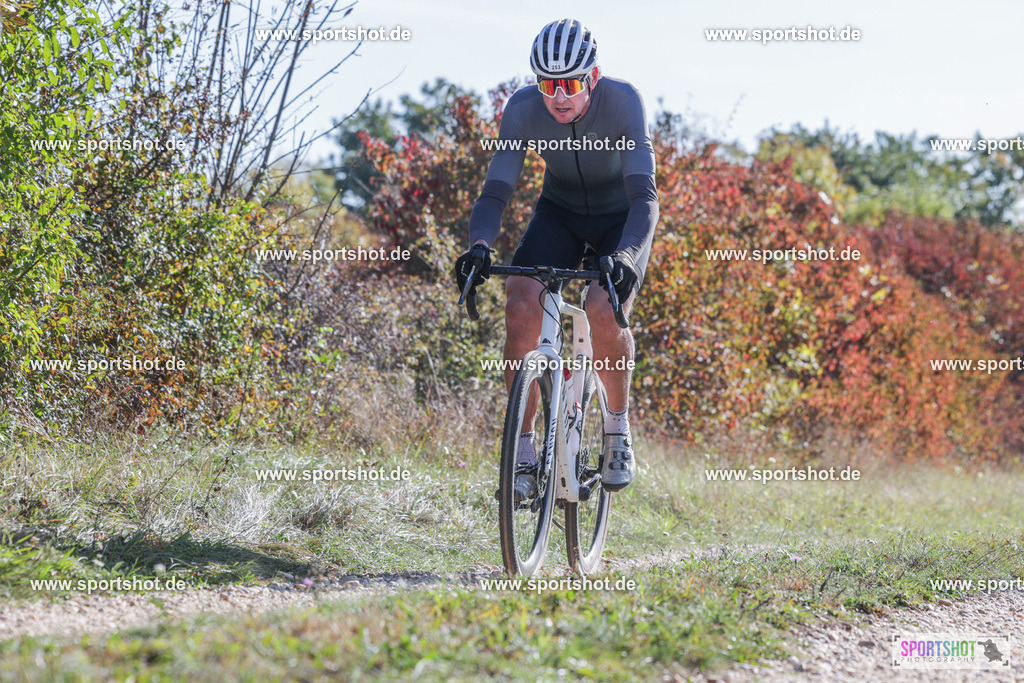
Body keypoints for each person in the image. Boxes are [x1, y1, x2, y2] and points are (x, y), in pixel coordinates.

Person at [454, 18, 659, 498]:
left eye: (570, 83)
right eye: (548, 83)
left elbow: (645, 197)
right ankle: (523, 449)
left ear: (594, 76)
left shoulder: (624, 101)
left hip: (619, 220)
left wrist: (628, 255)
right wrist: (480, 247)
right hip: (561, 213)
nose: (558, 96)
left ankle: (616, 426)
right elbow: (494, 193)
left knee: (603, 306)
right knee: (521, 298)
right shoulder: (523, 109)